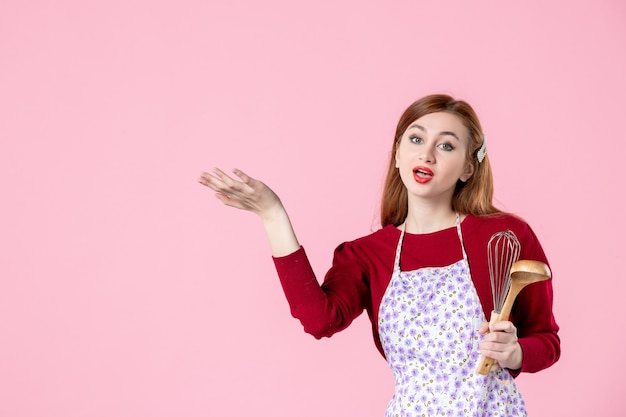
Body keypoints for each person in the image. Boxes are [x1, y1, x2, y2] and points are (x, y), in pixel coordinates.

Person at [198, 94, 560, 416]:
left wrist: (516, 354)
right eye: (416, 139)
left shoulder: (504, 237)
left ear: (469, 167)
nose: (427, 154)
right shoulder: (367, 254)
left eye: (447, 146)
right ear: (398, 154)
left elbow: (546, 339)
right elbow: (318, 320)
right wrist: (272, 214)